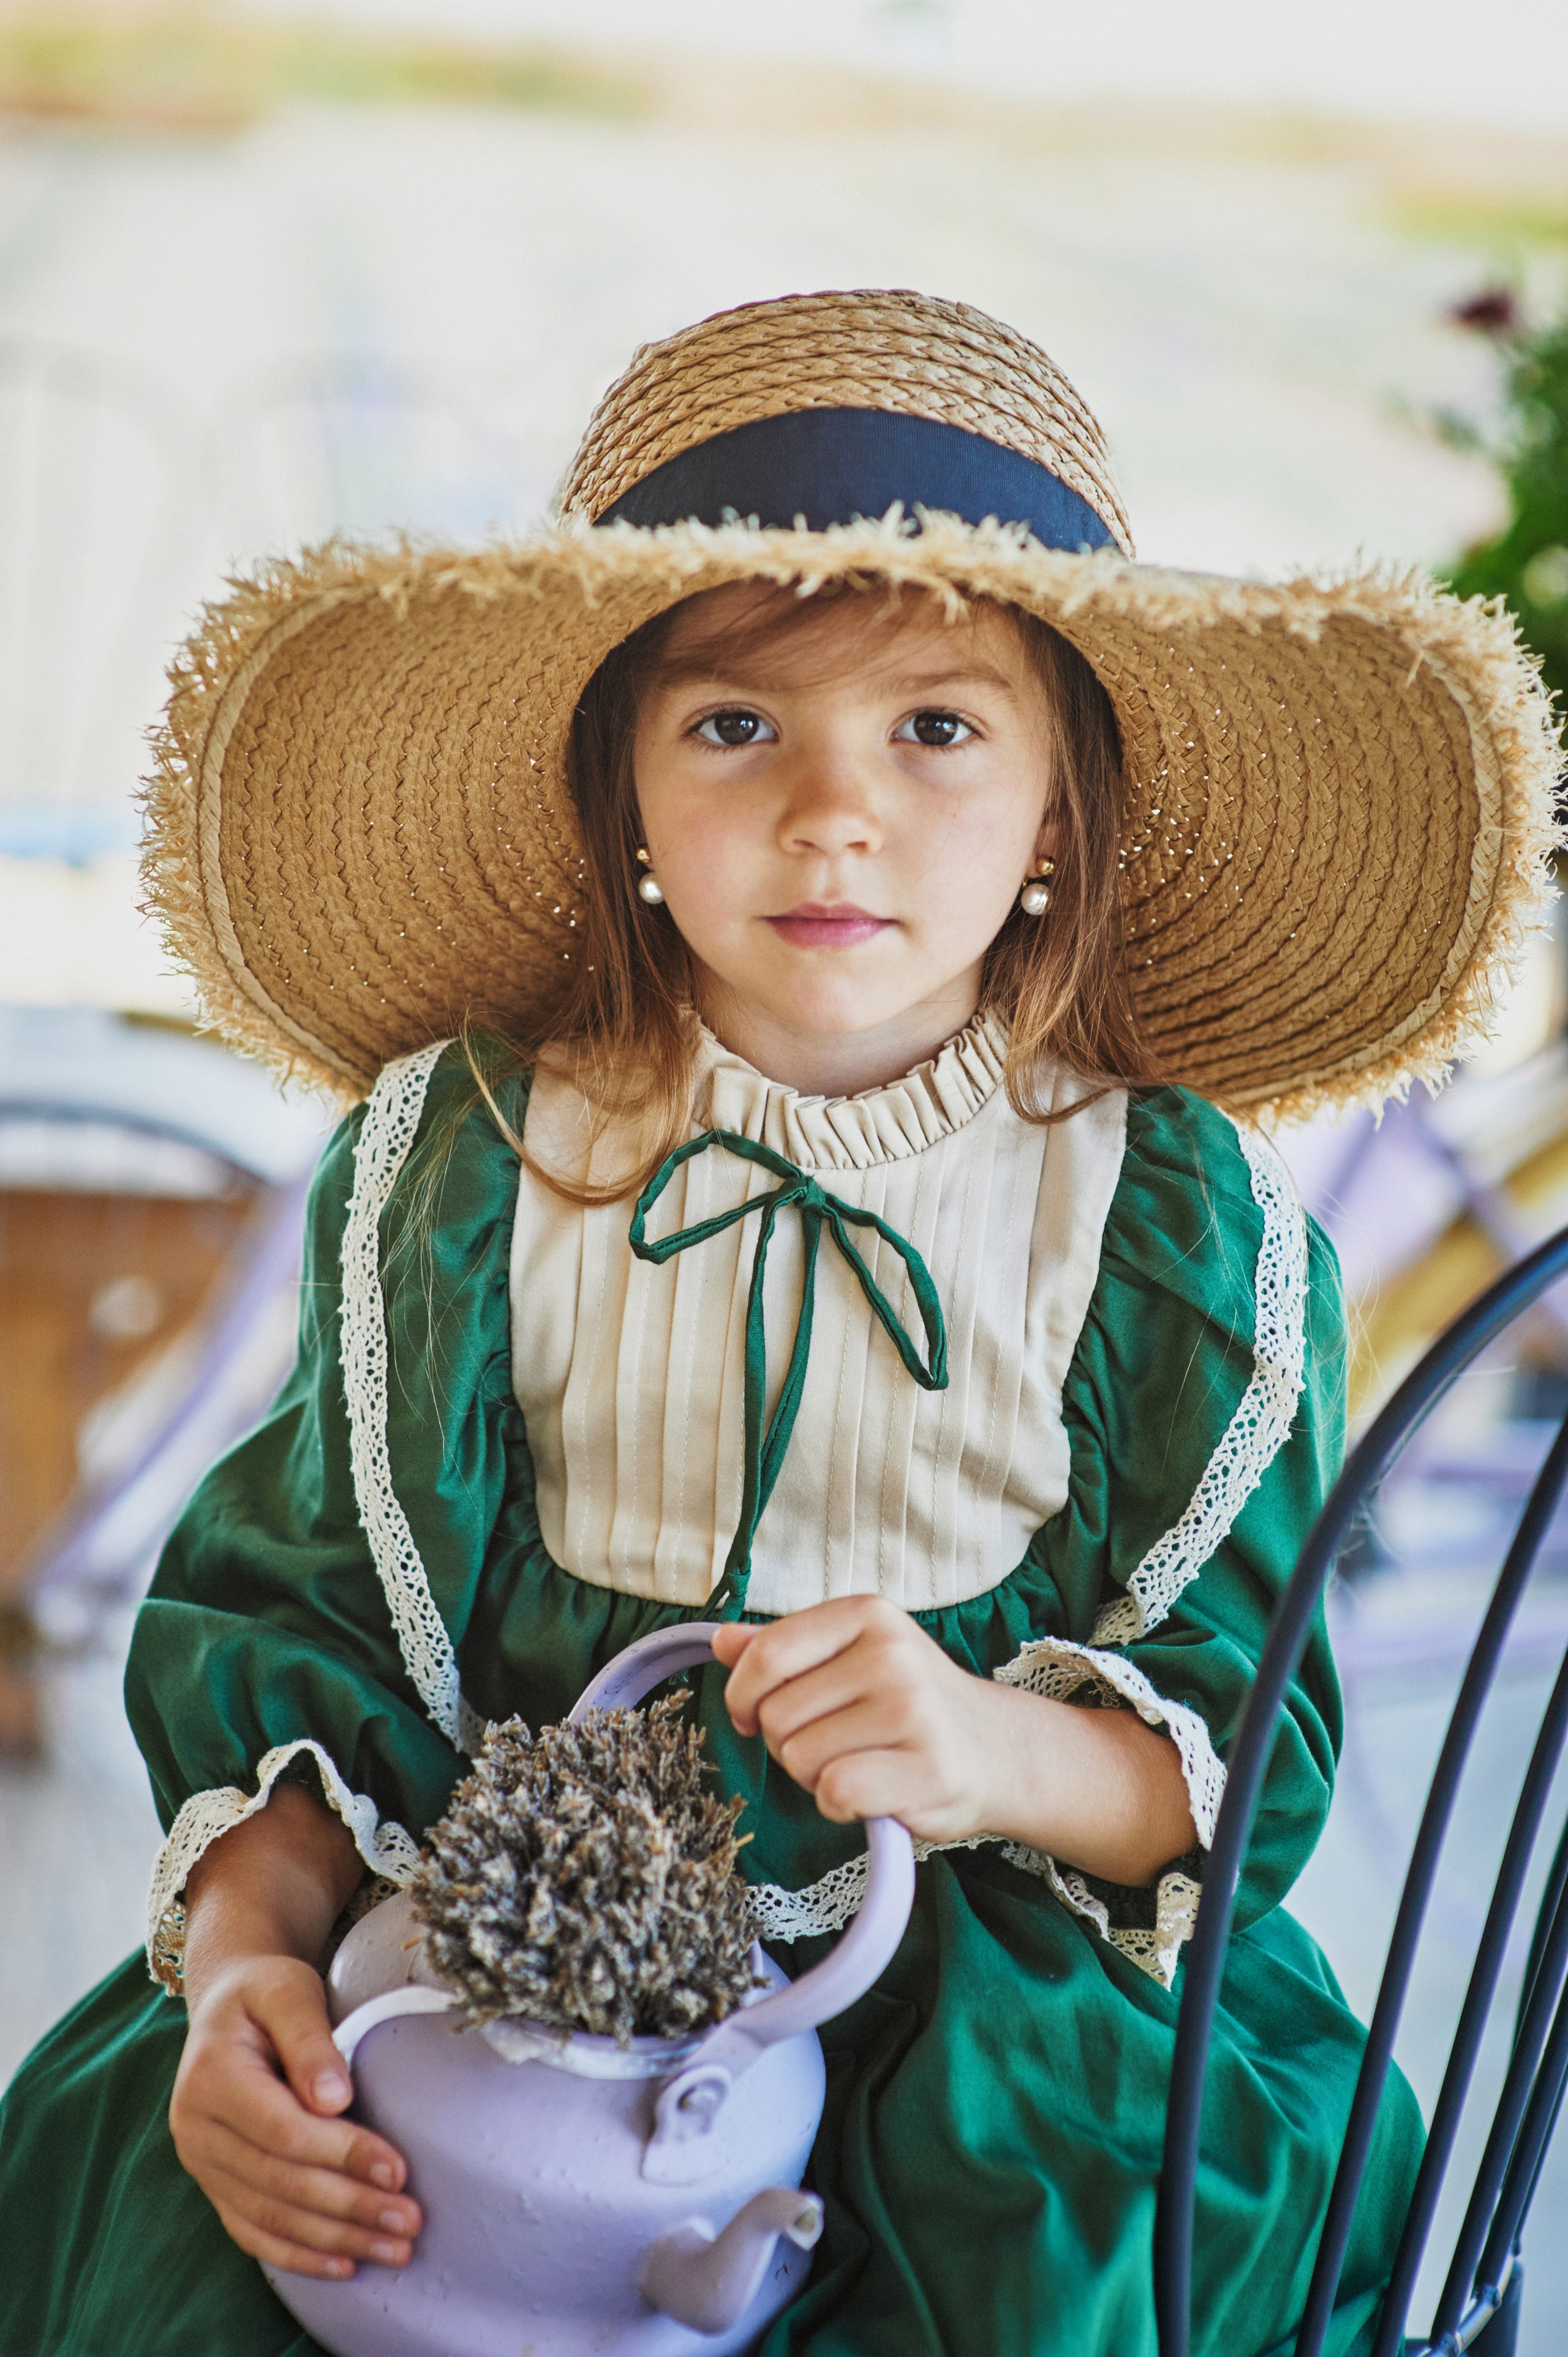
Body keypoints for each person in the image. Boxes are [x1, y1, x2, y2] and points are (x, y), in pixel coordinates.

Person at [1, 289, 1558, 2357]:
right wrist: (246, 1974)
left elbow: (1233, 1766)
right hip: (491, 1949)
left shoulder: (1172, 1217)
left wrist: (991, 1739)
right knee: (219, 2275)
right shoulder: (471, 1158)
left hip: (990, 2000)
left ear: (1059, 818)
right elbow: (308, 1651)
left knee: (1072, 2283)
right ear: (622, 788)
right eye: (738, 725)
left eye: (935, 727)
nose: (836, 808)